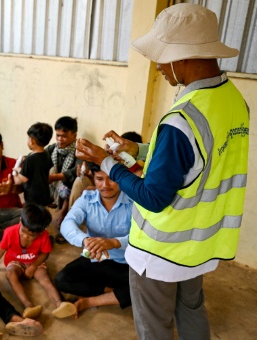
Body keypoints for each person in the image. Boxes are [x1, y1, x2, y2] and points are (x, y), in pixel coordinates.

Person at [75, 4, 249, 339]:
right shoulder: (233, 101)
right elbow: (197, 159)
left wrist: (105, 161)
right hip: (199, 245)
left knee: (155, 326)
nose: (157, 66)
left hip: (161, 250)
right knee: (192, 311)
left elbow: (154, 197)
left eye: (161, 56)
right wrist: (134, 149)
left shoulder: (182, 118)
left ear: (183, 56)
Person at [54, 162, 132, 317]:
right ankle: (111, 293)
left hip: (127, 262)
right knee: (61, 280)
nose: (105, 185)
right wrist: (86, 241)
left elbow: (144, 235)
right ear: (93, 178)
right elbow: (67, 223)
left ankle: (89, 301)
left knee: (152, 287)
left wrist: (114, 242)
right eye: (99, 179)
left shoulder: (134, 201)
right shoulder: (87, 199)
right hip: (97, 258)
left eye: (112, 179)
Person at [0, 204, 77, 319]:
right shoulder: (9, 232)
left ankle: (59, 304)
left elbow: (45, 253)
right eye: (23, 232)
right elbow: (2, 249)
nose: (26, 236)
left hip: (35, 261)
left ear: (41, 231)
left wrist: (33, 266)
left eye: (32, 236)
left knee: (45, 278)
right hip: (15, 261)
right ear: (20, 221)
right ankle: (28, 306)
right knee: (10, 274)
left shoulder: (44, 236)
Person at [46, 117, 83, 225]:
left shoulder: (80, 150)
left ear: (74, 135)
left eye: (64, 136)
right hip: (58, 185)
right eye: (58, 135)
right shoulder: (54, 148)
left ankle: (65, 211)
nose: (60, 139)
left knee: (78, 178)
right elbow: (40, 156)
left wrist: (55, 177)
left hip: (70, 187)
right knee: (47, 168)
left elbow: (75, 170)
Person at [13, 122, 53, 206]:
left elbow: (24, 179)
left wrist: (18, 170)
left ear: (31, 140)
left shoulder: (30, 159)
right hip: (44, 193)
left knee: (33, 215)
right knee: (42, 211)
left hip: (33, 196)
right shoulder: (46, 154)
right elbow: (40, 165)